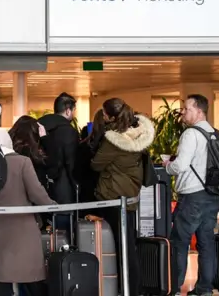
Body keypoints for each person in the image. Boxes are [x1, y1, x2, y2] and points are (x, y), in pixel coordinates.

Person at [91, 98, 155, 296]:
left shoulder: (113, 141)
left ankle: (129, 290)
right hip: (129, 196)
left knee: (122, 249)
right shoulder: (138, 134)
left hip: (113, 196)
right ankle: (132, 289)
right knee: (128, 247)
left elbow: (96, 164)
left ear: (109, 116)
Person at [163, 94, 219, 296]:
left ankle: (174, 287)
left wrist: (167, 166)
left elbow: (180, 165)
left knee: (180, 242)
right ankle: (204, 289)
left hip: (192, 197)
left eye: (186, 108)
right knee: (206, 243)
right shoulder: (215, 133)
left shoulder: (191, 134)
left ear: (199, 111)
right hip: (212, 196)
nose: (183, 112)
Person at [0, 127, 55, 296]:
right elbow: (36, 193)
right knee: (32, 278)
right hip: (21, 228)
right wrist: (54, 206)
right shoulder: (22, 162)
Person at [38, 92, 79, 240]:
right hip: (64, 188)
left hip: (41, 186)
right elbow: (71, 162)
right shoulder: (68, 132)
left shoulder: (39, 126)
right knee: (64, 231)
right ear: (68, 110)